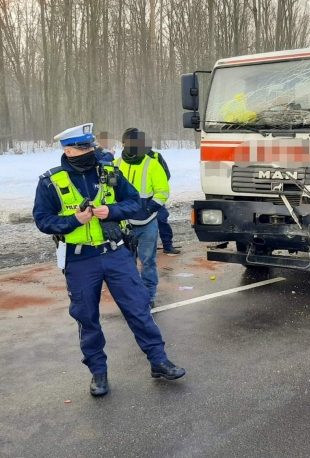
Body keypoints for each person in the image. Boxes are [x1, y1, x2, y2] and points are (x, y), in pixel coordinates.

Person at [33, 123, 185, 397]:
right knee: (87, 318)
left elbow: (134, 203)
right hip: (80, 260)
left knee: (139, 308)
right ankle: (98, 374)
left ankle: (159, 361)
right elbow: (43, 221)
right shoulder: (50, 181)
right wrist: (73, 221)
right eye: (83, 147)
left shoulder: (109, 172)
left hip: (116, 253)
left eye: (91, 146)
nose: (91, 151)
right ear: (68, 150)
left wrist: (112, 211)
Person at [116, 128, 169, 306]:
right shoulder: (116, 165)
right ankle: (132, 296)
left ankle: (149, 296)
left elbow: (162, 191)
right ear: (123, 144)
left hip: (147, 223)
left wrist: (149, 208)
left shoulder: (152, 163)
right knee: (127, 263)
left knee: (148, 262)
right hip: (124, 225)